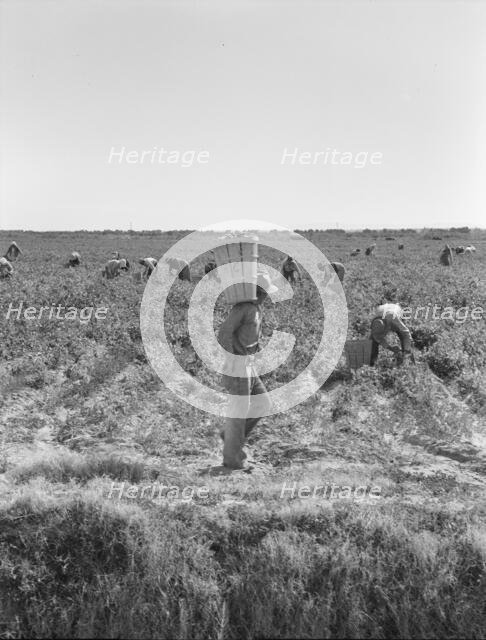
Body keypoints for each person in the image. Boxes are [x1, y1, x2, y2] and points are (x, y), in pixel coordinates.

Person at [217, 271, 277, 470]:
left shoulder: (256, 309)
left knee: (263, 403)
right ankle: (232, 460)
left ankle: (230, 435)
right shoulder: (243, 308)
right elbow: (224, 332)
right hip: (239, 366)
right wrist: (231, 359)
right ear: (261, 292)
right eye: (266, 293)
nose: (267, 297)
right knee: (239, 412)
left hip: (249, 366)